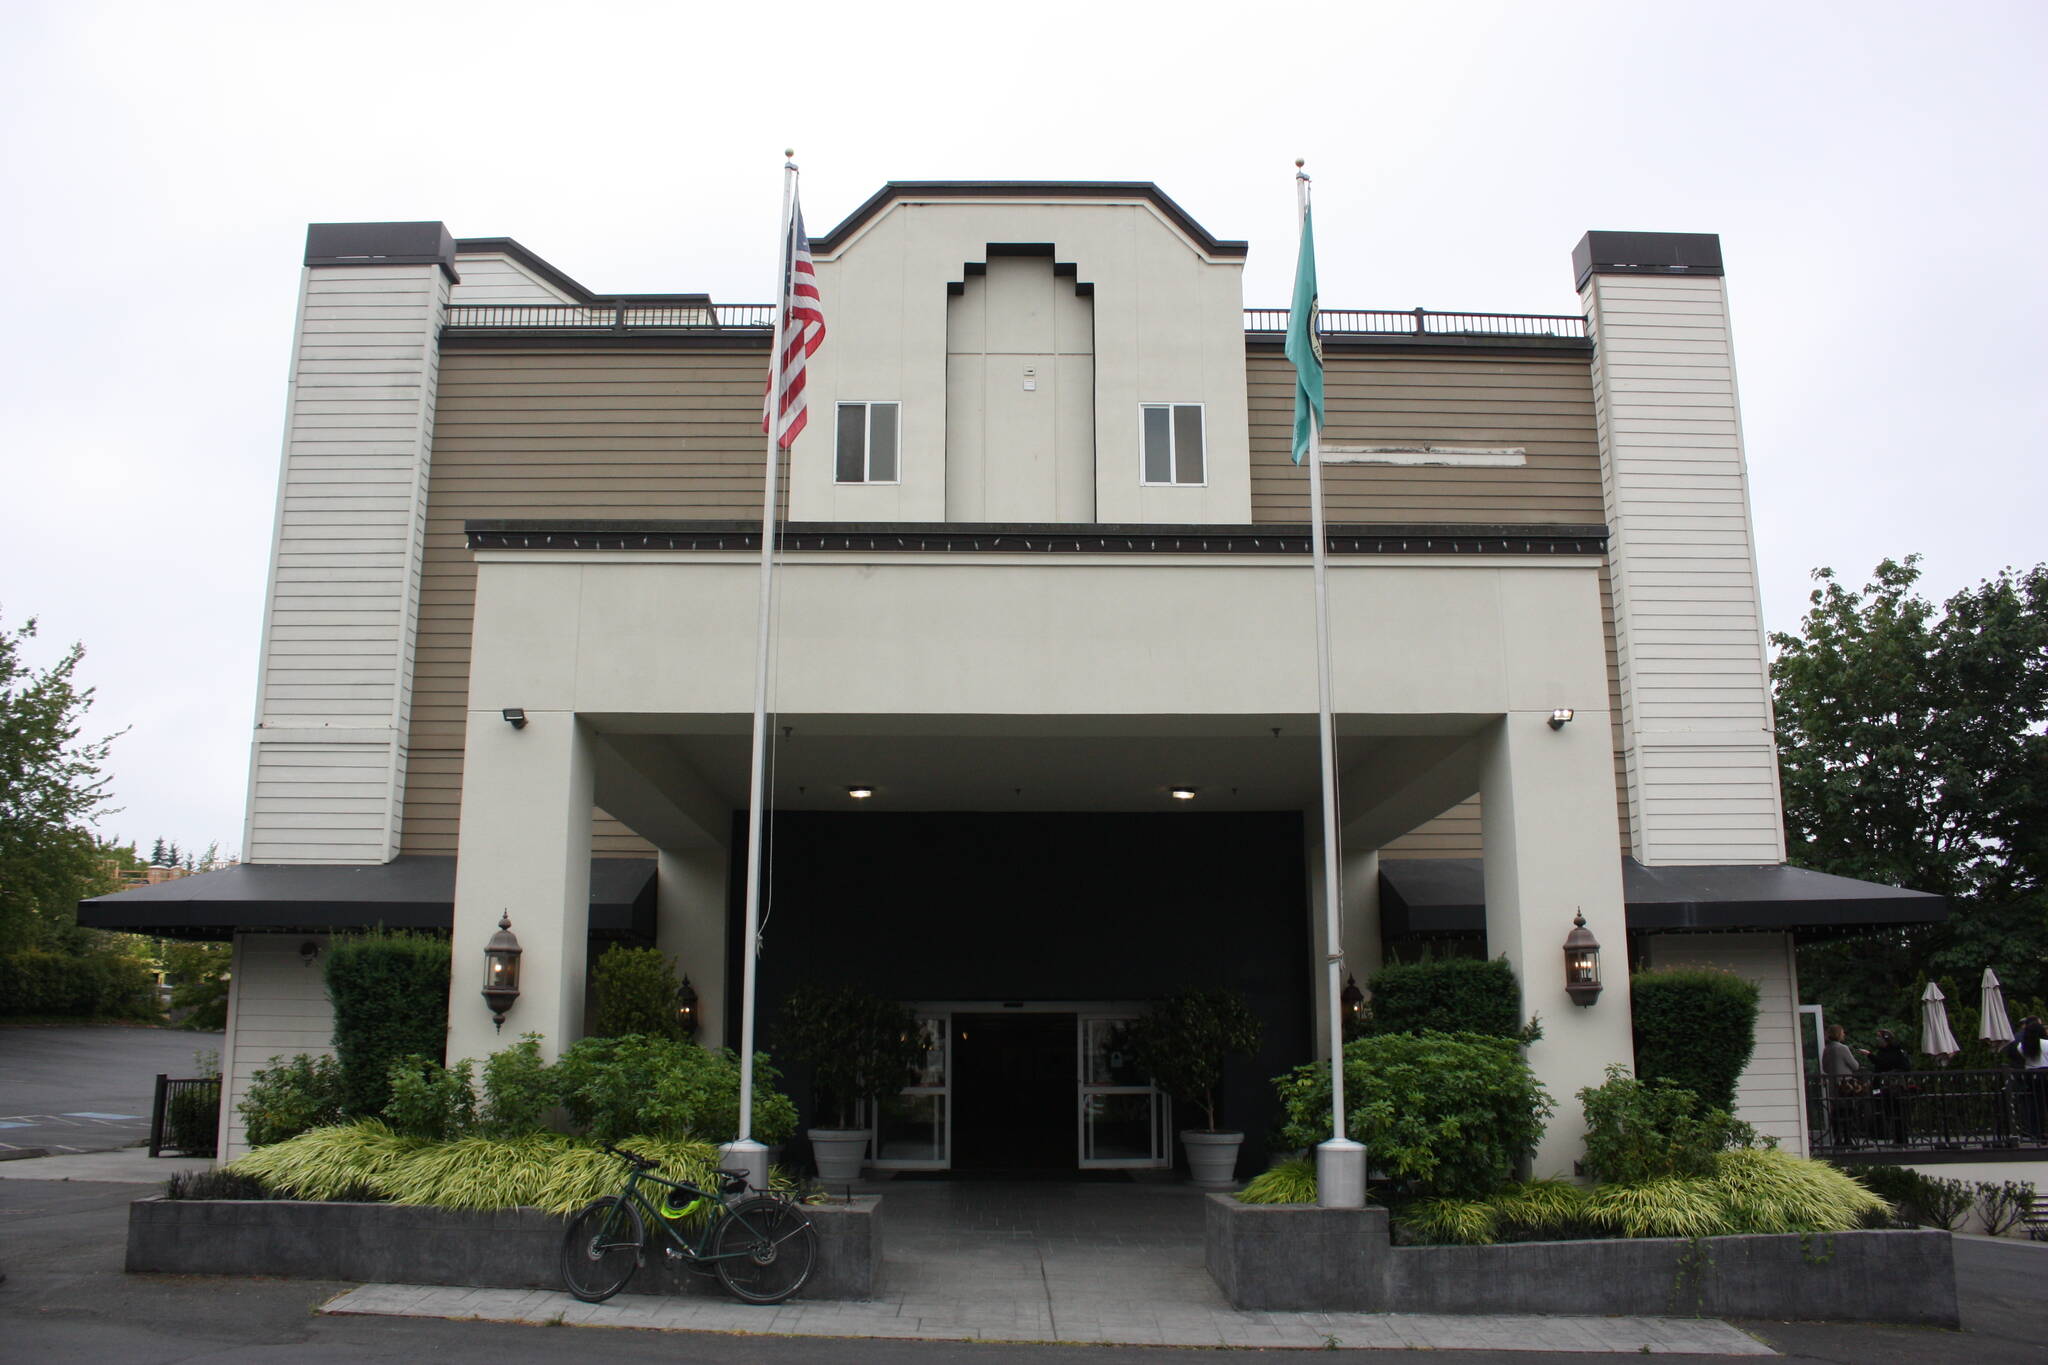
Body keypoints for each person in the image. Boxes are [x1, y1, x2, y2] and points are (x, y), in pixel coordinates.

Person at [1821, 1024, 1867, 1147]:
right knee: (1847, 1112)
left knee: (1836, 1113)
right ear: (1838, 1034)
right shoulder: (1843, 1048)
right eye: (1842, 1032)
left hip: (1833, 1085)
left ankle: (1837, 1138)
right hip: (1845, 1086)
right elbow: (1855, 1065)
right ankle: (1848, 1139)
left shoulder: (1827, 1048)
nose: (1844, 1034)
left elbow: (1824, 1068)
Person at [2005, 1017, 2048, 1141]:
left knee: (2036, 1104)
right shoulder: (2045, 1044)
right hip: (2045, 1073)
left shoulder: (2022, 1046)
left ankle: (2036, 1132)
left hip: (2031, 1075)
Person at [1869, 1028, 1910, 1145]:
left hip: (1895, 1086)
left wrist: (1871, 1057)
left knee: (1899, 1112)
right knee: (1889, 1112)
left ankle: (1901, 1138)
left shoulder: (1896, 1051)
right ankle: (1894, 1136)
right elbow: (1879, 1067)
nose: (1877, 1039)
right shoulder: (1881, 1051)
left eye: (1879, 1037)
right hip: (1883, 1087)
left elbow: (1900, 1066)